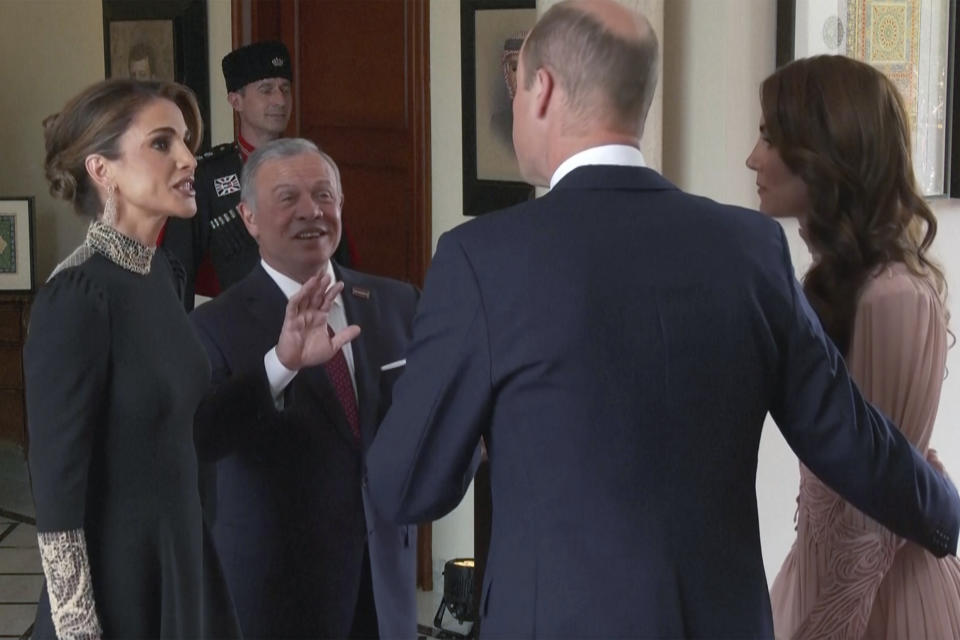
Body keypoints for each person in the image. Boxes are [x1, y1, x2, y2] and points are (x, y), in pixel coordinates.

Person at [365, 1, 960, 637]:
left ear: (541, 89)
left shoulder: (480, 258)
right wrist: (944, 513)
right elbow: (851, 440)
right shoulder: (749, 247)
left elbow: (405, 488)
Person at [746, 55, 960, 639]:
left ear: (825, 152)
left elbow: (870, 514)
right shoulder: (853, 287)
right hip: (833, 581)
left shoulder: (890, 298)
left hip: (877, 602)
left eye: (769, 137)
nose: (752, 159)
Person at [24, 78, 241, 638]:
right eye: (163, 144)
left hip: (181, 572)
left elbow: (182, 427)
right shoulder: (77, 297)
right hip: (117, 595)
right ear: (103, 170)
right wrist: (77, 626)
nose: (190, 159)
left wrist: (285, 361)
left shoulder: (162, 274)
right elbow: (56, 489)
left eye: (187, 142)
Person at [191, 138, 419, 638]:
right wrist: (281, 364)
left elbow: (421, 418)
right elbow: (202, 438)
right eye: (287, 198)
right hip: (276, 595)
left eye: (324, 195)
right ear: (248, 217)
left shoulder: (396, 302)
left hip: (384, 588)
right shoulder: (213, 325)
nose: (311, 211)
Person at [161, 41, 296, 308]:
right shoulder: (206, 177)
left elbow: (339, 261)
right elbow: (178, 272)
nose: (280, 100)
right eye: (266, 90)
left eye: (285, 89)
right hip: (237, 329)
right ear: (236, 101)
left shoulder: (308, 168)